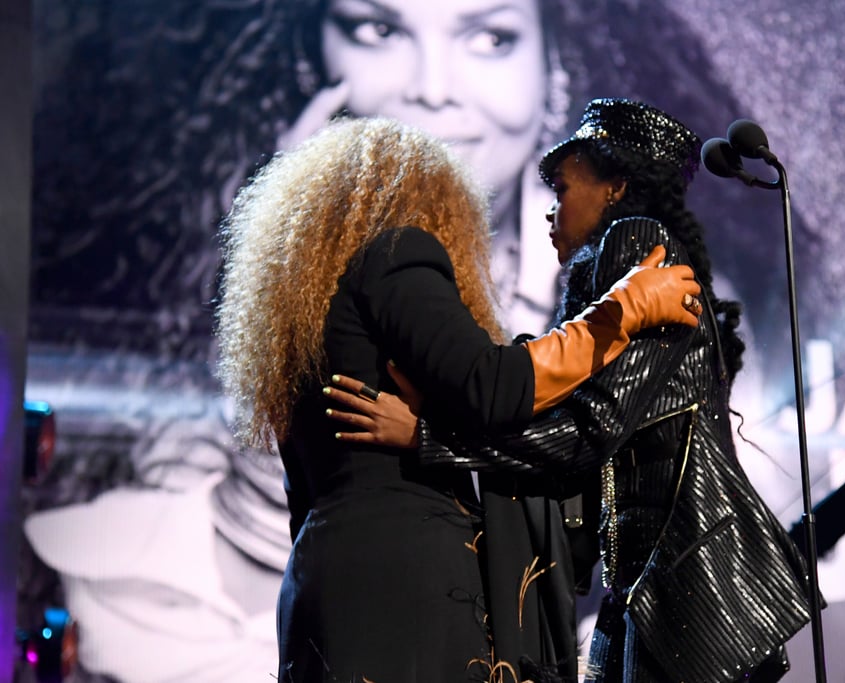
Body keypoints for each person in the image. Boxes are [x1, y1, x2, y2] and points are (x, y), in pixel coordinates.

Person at [324, 99, 815, 683]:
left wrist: (427, 438)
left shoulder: (637, 242)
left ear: (615, 187)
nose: (549, 213)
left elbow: (587, 432)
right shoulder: (610, 268)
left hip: (694, 585)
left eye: (561, 190)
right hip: (660, 584)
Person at [214, 116, 703, 682]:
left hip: (320, 576)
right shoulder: (397, 253)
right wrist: (626, 309)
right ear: (432, 197)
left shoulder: (306, 315)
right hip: (408, 571)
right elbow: (495, 386)